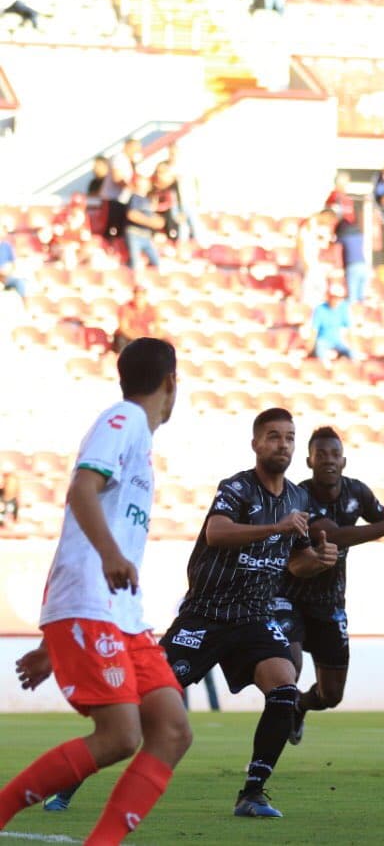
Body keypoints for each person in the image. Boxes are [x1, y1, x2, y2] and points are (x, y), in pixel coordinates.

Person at [0, 339, 191, 845]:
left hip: (121, 613)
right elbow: (81, 490)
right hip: (94, 602)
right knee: (121, 735)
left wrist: (54, 643)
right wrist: (109, 558)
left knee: (172, 728)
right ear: (172, 381)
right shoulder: (123, 420)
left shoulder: (138, 439)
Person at [159, 408, 337, 818]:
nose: (283, 444)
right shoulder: (237, 488)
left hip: (254, 617)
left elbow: (296, 562)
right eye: (273, 437)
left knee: (285, 689)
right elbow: (216, 532)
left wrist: (321, 560)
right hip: (206, 614)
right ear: (256, 444)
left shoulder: (297, 498)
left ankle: (253, 792)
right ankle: (73, 777)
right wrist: (276, 528)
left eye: (289, 437)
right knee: (148, 700)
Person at [276, 427, 384, 745]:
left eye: (334, 454)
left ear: (344, 461)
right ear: (309, 461)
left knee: (331, 694)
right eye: (320, 454)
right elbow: (335, 535)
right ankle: (269, 745)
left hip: (330, 603)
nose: (328, 460)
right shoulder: (297, 496)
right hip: (290, 597)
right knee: (289, 668)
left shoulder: (358, 493)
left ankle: (300, 705)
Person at [123, 176, 164, 276]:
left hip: (146, 235)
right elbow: (132, 214)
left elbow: (156, 219)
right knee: (135, 262)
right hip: (134, 234)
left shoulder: (148, 201)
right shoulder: (135, 197)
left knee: (156, 262)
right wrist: (150, 222)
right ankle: (131, 280)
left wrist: (158, 222)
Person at [311, 285, 354, 361]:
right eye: (334, 297)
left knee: (352, 354)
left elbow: (349, 328)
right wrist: (310, 347)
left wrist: (352, 344)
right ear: (329, 297)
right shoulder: (320, 309)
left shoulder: (343, 308)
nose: (336, 300)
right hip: (323, 341)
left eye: (338, 298)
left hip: (338, 340)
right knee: (320, 352)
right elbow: (314, 330)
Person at [113, 285, 159, 354]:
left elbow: (158, 327)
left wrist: (151, 337)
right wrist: (138, 338)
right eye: (137, 297)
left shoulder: (151, 309)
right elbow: (124, 329)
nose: (139, 299)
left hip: (144, 337)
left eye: (141, 297)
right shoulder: (125, 307)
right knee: (121, 338)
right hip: (128, 337)